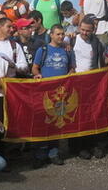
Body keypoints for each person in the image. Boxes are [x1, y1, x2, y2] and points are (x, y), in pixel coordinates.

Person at [30, 24, 76, 166]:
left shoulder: (68, 50)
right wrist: (37, 75)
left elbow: (72, 68)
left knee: (56, 124)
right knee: (43, 123)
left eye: (62, 34)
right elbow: (34, 68)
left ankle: (53, 153)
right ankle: (40, 155)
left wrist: (69, 75)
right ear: (51, 35)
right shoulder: (42, 50)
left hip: (61, 94)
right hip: (45, 94)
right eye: (58, 34)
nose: (61, 37)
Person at [71, 16, 108, 160]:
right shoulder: (72, 40)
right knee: (78, 115)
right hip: (75, 84)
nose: (85, 33)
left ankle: (94, 145)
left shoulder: (97, 43)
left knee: (92, 114)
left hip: (92, 84)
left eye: (88, 30)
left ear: (93, 30)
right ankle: (79, 147)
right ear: (79, 28)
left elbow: (103, 58)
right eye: (83, 30)